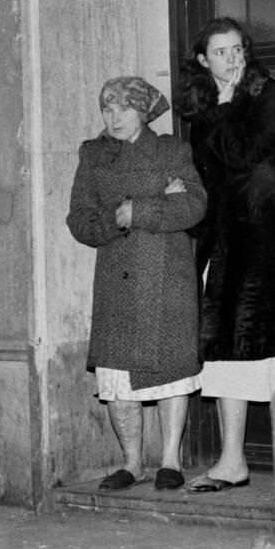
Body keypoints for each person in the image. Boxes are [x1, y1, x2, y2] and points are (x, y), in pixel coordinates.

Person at [176, 17, 275, 492]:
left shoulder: (264, 95)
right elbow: (207, 175)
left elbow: (247, 154)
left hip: (260, 236)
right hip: (222, 239)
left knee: (258, 347)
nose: (233, 59)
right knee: (225, 350)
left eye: (238, 49)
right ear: (202, 60)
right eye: (221, 52)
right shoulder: (203, 106)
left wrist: (230, 103)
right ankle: (232, 460)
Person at [66, 76, 207, 492]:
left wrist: (139, 209)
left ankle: (170, 461)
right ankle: (130, 463)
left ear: (144, 111)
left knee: (171, 371)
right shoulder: (93, 156)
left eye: (125, 108)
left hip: (167, 277)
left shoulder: (171, 150)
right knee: (117, 379)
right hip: (117, 277)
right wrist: (117, 218)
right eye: (107, 109)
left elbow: (194, 204)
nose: (115, 118)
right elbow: (79, 219)